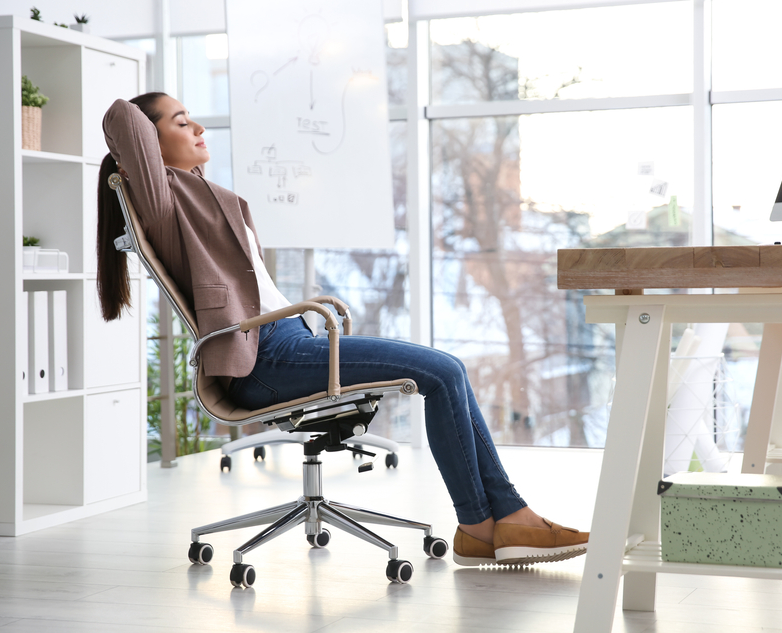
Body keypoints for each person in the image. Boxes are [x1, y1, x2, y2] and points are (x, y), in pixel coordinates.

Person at [98, 93, 588, 567]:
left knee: (450, 369)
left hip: (291, 340)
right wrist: (147, 125)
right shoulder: (161, 202)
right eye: (182, 122)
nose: (200, 128)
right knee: (442, 372)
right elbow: (124, 116)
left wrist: (174, 127)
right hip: (265, 359)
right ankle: (485, 526)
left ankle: (500, 522)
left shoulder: (199, 193)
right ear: (148, 145)